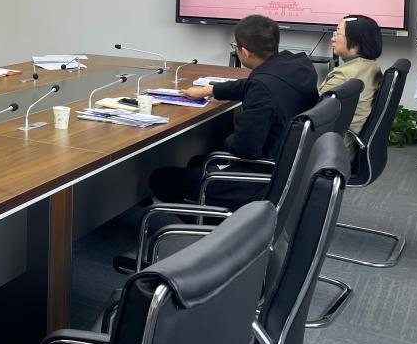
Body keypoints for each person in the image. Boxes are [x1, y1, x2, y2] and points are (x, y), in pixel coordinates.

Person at [148, 14, 319, 204]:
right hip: (288, 168)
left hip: (258, 179)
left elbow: (246, 148)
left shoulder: (261, 88)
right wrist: (210, 90)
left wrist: (227, 139)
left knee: (160, 178)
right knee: (197, 161)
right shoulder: (297, 64)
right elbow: (251, 84)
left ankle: (187, 219)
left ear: (244, 52)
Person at [319, 15, 383, 161]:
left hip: (330, 149)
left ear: (356, 43)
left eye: (338, 33)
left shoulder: (344, 76)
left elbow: (311, 112)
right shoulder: (371, 66)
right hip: (346, 143)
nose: (332, 39)